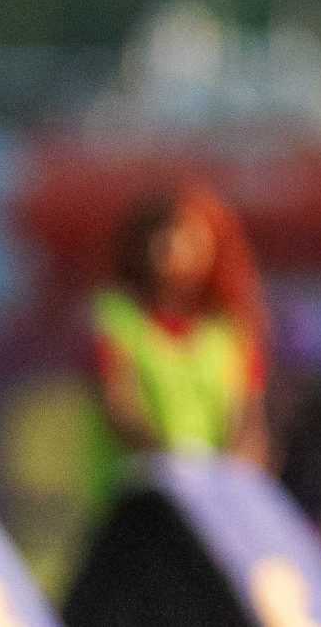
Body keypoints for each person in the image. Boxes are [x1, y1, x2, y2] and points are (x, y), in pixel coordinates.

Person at [84, 184, 271, 512]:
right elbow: (119, 405)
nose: (172, 248)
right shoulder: (117, 318)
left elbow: (248, 417)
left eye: (188, 237)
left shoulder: (232, 329)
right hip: (138, 500)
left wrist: (230, 476)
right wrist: (173, 469)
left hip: (216, 504)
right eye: (163, 235)